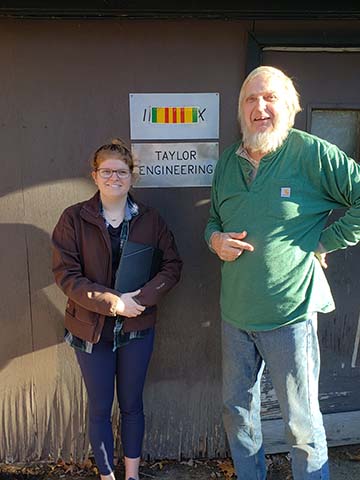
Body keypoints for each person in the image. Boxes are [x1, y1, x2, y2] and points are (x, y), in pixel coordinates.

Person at [204, 65, 360, 479]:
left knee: (301, 424)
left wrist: (324, 241)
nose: (260, 107)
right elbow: (213, 220)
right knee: (238, 415)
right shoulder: (226, 164)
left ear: (290, 107)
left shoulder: (310, 153)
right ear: (241, 111)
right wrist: (214, 240)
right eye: (250, 99)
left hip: (290, 314)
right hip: (235, 315)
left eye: (270, 97)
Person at [52, 138, 182, 480]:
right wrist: (112, 302)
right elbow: (65, 274)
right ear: (94, 175)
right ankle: (107, 476)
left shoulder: (151, 220)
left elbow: (172, 266)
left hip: (137, 326)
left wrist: (142, 299)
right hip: (90, 329)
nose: (114, 178)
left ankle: (132, 474)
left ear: (132, 176)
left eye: (121, 172)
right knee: (99, 408)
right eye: (106, 171)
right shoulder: (73, 219)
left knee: (132, 405)